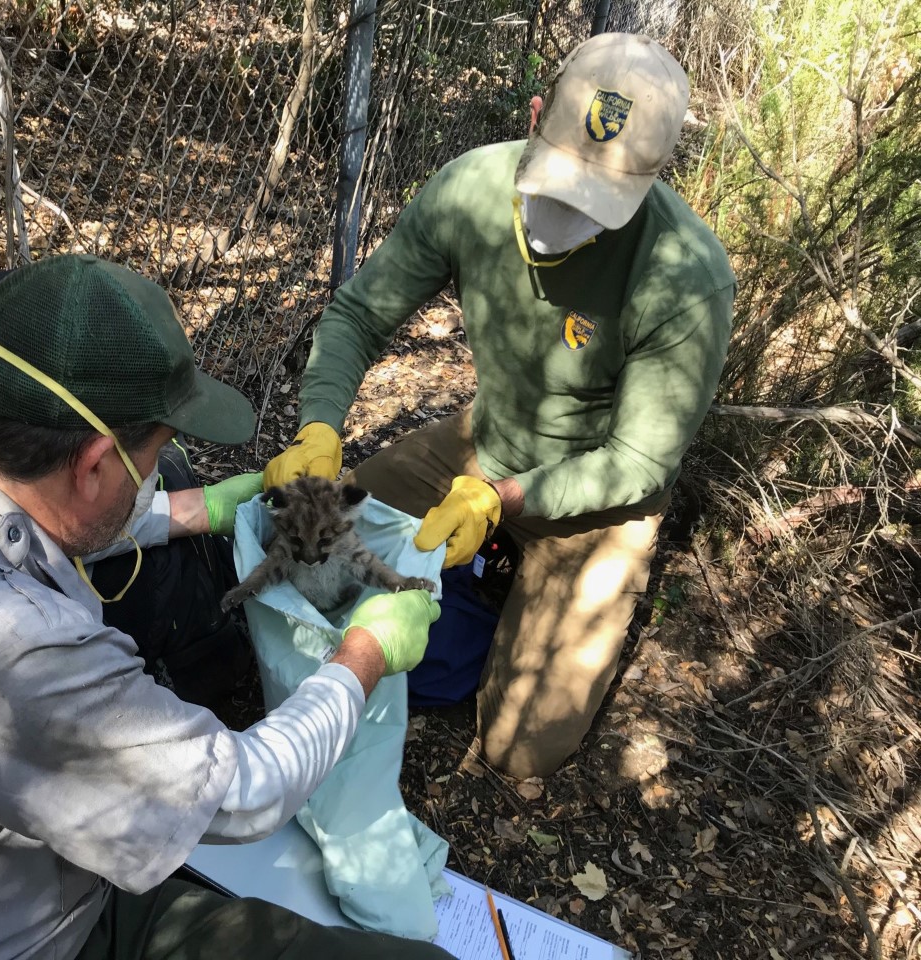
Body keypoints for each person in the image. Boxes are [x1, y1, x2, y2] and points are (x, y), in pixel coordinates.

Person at [0, 254, 449, 959]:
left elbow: (37, 523)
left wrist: (196, 509)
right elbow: (247, 789)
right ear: (96, 461)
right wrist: (366, 650)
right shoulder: (15, 650)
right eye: (158, 453)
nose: (159, 470)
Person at [266, 33, 735, 780]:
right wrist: (320, 427)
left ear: (651, 182)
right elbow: (358, 316)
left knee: (519, 752)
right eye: (556, 180)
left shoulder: (684, 275)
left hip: (595, 502)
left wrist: (505, 499)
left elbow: (640, 462)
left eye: (598, 202)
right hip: (482, 443)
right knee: (300, 546)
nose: (565, 214)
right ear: (535, 112)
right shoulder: (471, 189)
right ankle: (490, 578)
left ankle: (504, 584)